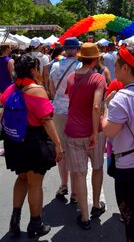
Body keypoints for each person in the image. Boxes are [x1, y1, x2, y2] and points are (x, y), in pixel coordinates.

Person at [0, 54, 63, 238]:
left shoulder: (12, 89)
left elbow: (3, 106)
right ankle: (35, 224)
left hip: (14, 141)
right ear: (33, 70)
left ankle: (14, 222)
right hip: (33, 141)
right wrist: (58, 144)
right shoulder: (36, 90)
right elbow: (46, 120)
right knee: (35, 184)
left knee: (21, 179)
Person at [102, 45, 134, 242]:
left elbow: (109, 130)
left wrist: (104, 112)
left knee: (132, 221)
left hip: (128, 167)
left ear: (125, 68)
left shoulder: (121, 98)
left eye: (116, 65)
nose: (114, 68)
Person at [64, 43, 107, 230]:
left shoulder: (71, 77)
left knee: (79, 175)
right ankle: (96, 205)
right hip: (94, 132)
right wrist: (94, 133)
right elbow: (97, 106)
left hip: (72, 132)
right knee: (97, 168)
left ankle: (84, 216)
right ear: (96, 59)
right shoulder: (98, 78)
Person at [49, 37, 82, 203]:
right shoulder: (81, 67)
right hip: (76, 112)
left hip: (59, 111)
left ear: (64, 49)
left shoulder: (55, 66)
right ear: (76, 49)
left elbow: (51, 89)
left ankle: (63, 185)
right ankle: (75, 192)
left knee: (61, 148)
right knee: (75, 150)